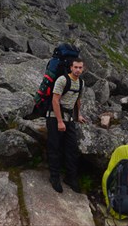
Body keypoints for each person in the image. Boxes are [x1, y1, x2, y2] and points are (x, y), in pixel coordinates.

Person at [47, 57, 87, 193]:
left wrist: (78, 115)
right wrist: (59, 121)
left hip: (69, 117)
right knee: (55, 147)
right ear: (70, 67)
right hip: (54, 116)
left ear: (83, 69)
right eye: (75, 67)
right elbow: (55, 101)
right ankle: (54, 177)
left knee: (72, 148)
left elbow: (78, 101)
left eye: (80, 67)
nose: (77, 70)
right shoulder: (62, 80)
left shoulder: (81, 83)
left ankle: (70, 178)